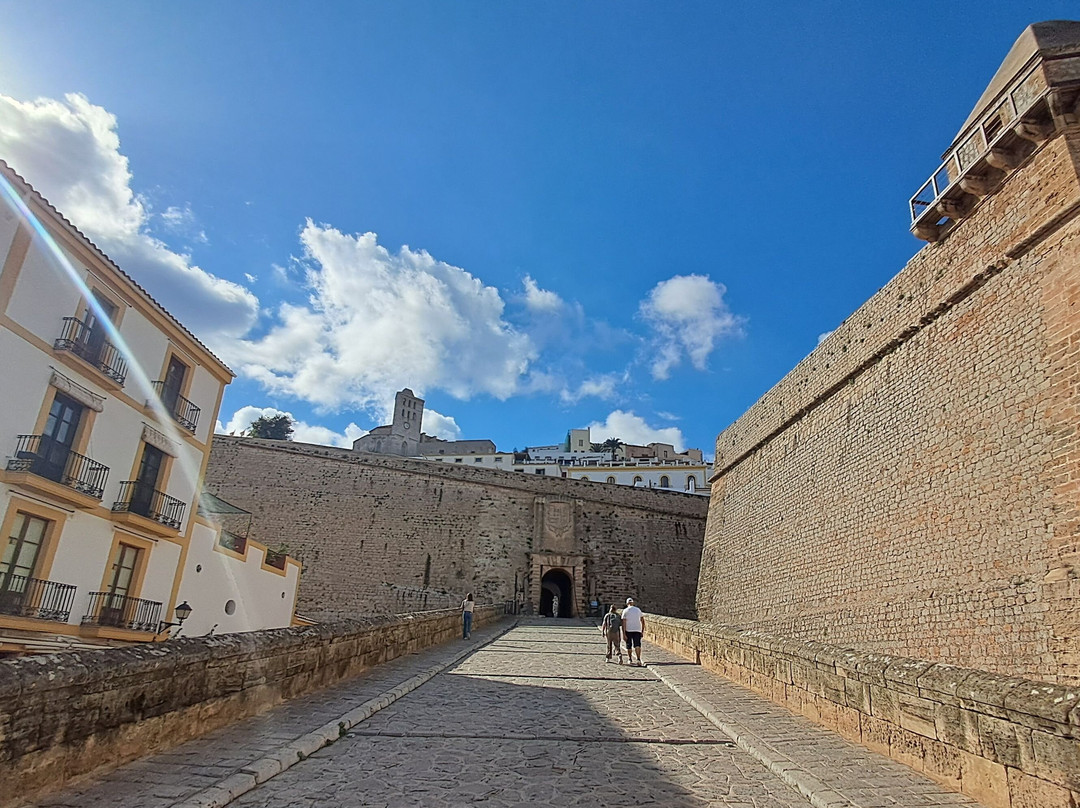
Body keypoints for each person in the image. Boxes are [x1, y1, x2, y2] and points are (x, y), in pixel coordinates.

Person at [621, 597, 645, 666]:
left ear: (627, 603)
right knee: (637, 645)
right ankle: (638, 659)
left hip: (628, 630)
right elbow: (643, 621)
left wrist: (623, 633)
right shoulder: (638, 610)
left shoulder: (625, 611)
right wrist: (642, 631)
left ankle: (630, 659)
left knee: (629, 645)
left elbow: (623, 623)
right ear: (633, 603)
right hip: (637, 629)